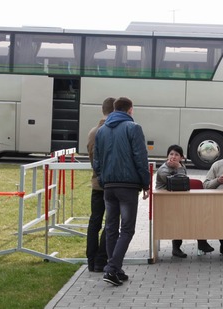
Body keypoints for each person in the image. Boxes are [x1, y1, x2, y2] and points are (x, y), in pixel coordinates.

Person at [94, 97, 150, 286]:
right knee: (127, 229)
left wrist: (102, 179)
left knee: (111, 228)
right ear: (130, 110)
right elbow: (140, 158)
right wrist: (145, 183)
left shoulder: (101, 131)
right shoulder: (133, 128)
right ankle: (111, 269)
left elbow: (97, 160)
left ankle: (115, 268)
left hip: (108, 186)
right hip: (128, 186)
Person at [155, 145, 214, 258]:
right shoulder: (163, 170)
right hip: (164, 202)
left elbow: (183, 184)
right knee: (180, 218)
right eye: (171, 154)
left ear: (181, 157)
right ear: (167, 156)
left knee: (198, 215)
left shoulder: (180, 166)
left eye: (177, 155)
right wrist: (178, 167)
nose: (173, 157)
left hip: (178, 200)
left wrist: (179, 167)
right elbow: (179, 181)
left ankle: (202, 242)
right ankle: (176, 248)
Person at [86, 97, 115, 272]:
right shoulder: (111, 131)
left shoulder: (93, 132)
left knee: (94, 221)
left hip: (96, 183)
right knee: (110, 222)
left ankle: (90, 259)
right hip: (110, 183)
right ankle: (101, 259)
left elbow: (91, 156)